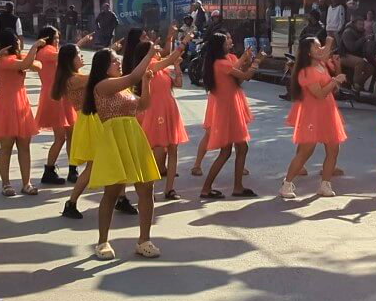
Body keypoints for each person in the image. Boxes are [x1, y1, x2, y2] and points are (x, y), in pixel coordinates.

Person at [82, 45, 161, 260]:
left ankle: (144, 240)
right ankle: (102, 242)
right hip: (114, 139)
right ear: (104, 66)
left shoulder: (123, 89)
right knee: (111, 192)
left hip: (133, 136)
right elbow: (133, 74)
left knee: (147, 188)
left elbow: (143, 104)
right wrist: (150, 53)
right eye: (115, 60)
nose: (118, 63)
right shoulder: (102, 86)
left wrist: (146, 82)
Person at [279, 37, 348, 199]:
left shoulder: (322, 65)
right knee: (306, 151)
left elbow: (335, 86)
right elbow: (320, 93)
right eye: (317, 48)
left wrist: (337, 70)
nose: (321, 49)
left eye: (321, 46)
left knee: (334, 149)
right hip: (312, 115)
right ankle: (287, 184)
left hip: (328, 113)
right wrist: (334, 80)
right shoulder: (306, 71)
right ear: (308, 52)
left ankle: (325, 184)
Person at [200, 32, 262, 199]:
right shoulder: (221, 63)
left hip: (229, 107)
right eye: (226, 41)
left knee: (229, 151)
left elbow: (237, 75)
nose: (229, 42)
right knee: (234, 149)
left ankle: (232, 186)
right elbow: (245, 76)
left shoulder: (222, 61)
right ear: (219, 46)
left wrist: (245, 59)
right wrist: (256, 62)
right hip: (229, 110)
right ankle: (228, 187)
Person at [0, 29, 42, 197]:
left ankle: (26, 183)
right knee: (6, 146)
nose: (20, 43)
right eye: (17, 41)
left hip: (21, 103)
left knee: (24, 146)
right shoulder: (5, 61)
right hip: (7, 104)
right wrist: (35, 47)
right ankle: (6, 183)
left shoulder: (11, 59)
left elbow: (38, 66)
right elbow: (26, 65)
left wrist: (27, 57)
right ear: (12, 43)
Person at [138, 32, 193, 200]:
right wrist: (183, 42)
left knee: (173, 148)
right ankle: (149, 190)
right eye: (154, 49)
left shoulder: (162, 69)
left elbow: (178, 83)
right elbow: (169, 58)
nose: (158, 51)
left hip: (170, 110)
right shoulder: (148, 67)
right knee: (157, 151)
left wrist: (176, 66)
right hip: (155, 112)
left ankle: (169, 189)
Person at [36, 26, 93, 185]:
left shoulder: (47, 51)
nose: (57, 41)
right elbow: (65, 55)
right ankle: (51, 170)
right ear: (47, 39)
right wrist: (81, 42)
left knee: (70, 135)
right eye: (55, 38)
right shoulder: (45, 51)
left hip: (62, 94)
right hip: (56, 96)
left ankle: (71, 169)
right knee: (61, 137)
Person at [55, 43, 102, 219]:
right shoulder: (73, 79)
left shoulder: (76, 76)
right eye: (79, 54)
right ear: (70, 60)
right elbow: (97, 78)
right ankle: (71, 202)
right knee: (93, 164)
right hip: (90, 120)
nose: (82, 57)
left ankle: (120, 197)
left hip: (94, 118)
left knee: (105, 160)